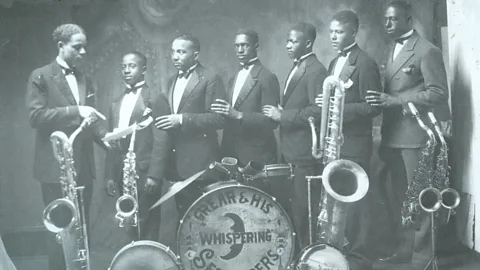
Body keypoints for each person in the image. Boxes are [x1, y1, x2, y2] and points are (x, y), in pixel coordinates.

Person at [365, 1, 451, 264]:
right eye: (386, 20)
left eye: (393, 19)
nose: (387, 24)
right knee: (400, 197)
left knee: (421, 197)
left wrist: (397, 101)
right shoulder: (391, 48)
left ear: (409, 20)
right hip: (392, 135)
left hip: (416, 136)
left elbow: (439, 93)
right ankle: (406, 248)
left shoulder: (427, 51)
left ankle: (423, 258)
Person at [25, 23, 108, 270]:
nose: (83, 53)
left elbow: (91, 123)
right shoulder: (40, 76)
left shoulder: (85, 79)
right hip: (55, 171)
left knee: (82, 234)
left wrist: (107, 138)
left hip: (82, 168)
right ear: (61, 46)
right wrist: (76, 110)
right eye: (77, 47)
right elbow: (35, 117)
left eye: (84, 47)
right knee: (60, 235)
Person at [314, 10, 382, 270]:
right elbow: (332, 97)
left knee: (358, 205)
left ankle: (361, 258)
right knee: (338, 202)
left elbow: (373, 107)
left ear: (354, 32)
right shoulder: (334, 63)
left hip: (354, 143)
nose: (333, 36)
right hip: (337, 143)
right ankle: (339, 251)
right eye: (331, 31)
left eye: (339, 32)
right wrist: (326, 103)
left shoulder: (365, 63)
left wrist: (337, 106)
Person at [263, 22, 328, 252]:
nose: (288, 45)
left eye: (294, 41)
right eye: (288, 41)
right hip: (292, 149)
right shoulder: (299, 66)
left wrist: (283, 115)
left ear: (308, 43)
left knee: (304, 210)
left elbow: (319, 111)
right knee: (295, 209)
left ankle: (308, 256)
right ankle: (300, 254)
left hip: (303, 153)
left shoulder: (316, 70)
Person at [148, 34, 226, 219]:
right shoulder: (170, 81)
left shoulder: (210, 78)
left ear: (195, 55)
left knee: (206, 221)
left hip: (202, 166)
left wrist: (182, 119)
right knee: (186, 220)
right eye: (173, 52)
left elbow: (219, 119)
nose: (175, 56)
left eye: (181, 52)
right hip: (178, 166)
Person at [104, 51, 162, 241]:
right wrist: (111, 175)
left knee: (148, 223)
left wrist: (154, 175)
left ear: (144, 69)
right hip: (123, 173)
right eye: (124, 66)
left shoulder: (155, 98)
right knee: (129, 224)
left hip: (145, 173)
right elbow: (112, 142)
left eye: (132, 66)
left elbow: (161, 140)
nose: (126, 70)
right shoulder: (116, 102)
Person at [211, 29, 280, 176]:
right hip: (230, 152)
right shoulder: (233, 78)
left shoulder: (267, 77)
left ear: (256, 46)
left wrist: (239, 115)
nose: (240, 50)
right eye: (237, 46)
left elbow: (272, 121)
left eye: (245, 45)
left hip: (255, 154)